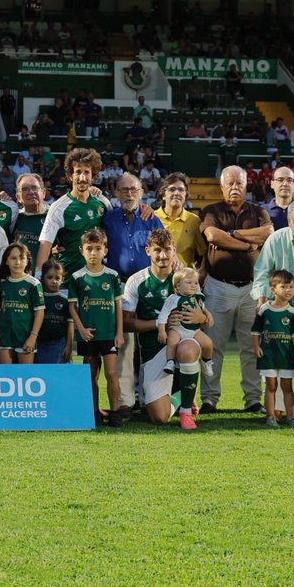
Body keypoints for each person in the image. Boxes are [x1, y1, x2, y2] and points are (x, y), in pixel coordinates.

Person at [198, 165, 272, 414]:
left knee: (252, 347)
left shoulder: (258, 211)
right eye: (229, 183)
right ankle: (209, 398)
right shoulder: (211, 210)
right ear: (221, 186)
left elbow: (267, 233)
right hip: (219, 287)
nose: (234, 187)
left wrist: (233, 233)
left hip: (252, 288)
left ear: (246, 185)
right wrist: (246, 245)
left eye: (239, 183)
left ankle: (253, 399)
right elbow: (213, 237)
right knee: (212, 346)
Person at [122, 228, 204, 429]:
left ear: (174, 250)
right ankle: (182, 394)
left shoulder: (185, 279)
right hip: (153, 351)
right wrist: (160, 323)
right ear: (148, 250)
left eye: (168, 250)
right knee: (159, 417)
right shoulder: (137, 281)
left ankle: (186, 407)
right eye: (157, 250)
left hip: (182, 343)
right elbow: (126, 323)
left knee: (188, 347)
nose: (163, 255)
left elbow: (202, 316)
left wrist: (199, 316)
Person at [103, 172, 163, 416]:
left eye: (133, 189)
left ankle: (150, 399)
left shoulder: (151, 219)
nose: (128, 194)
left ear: (141, 192)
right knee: (125, 346)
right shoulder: (107, 218)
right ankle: (126, 401)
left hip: (147, 285)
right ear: (116, 193)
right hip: (120, 286)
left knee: (150, 344)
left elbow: (165, 246)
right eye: (123, 190)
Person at [66, 228, 124, 427]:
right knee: (91, 374)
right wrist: (80, 330)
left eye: (97, 248)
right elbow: (72, 307)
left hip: (108, 333)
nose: (93, 253)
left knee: (111, 373)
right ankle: (94, 411)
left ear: (105, 251)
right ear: (81, 250)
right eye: (89, 248)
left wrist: (119, 332)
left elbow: (118, 306)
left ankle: (115, 411)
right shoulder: (77, 277)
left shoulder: (112, 276)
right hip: (88, 334)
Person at [36, 148, 110, 277]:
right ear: (70, 176)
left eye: (87, 172)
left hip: (96, 280)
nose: (82, 177)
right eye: (78, 172)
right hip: (67, 281)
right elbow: (45, 246)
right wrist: (38, 277)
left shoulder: (103, 202)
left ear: (93, 177)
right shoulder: (58, 208)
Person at [251, 269, 294, 428]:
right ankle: (271, 415)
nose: (288, 290)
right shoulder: (264, 310)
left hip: (286, 356)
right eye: (284, 286)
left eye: (291, 287)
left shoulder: (293, 313)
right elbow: (255, 331)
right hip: (268, 356)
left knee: (287, 387)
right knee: (271, 386)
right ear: (273, 289)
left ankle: (291, 416)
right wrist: (256, 346)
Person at [156, 267, 215, 377]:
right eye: (189, 282)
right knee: (172, 340)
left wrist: (208, 314)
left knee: (209, 343)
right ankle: (170, 362)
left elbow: (203, 308)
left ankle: (206, 361)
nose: (194, 285)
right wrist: (162, 331)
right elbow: (163, 315)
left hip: (194, 329)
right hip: (178, 328)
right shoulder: (173, 299)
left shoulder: (197, 297)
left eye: (196, 283)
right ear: (178, 286)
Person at [0, 242, 43, 364]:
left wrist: (33, 337)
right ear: (6, 261)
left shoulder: (34, 284)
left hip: (25, 336)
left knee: (25, 375)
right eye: (13, 258)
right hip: (4, 335)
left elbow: (40, 313)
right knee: (6, 375)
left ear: (27, 261)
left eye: (21, 258)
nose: (18, 262)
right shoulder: (2, 284)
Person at [154, 173, 206, 269]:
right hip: (157, 279)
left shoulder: (194, 221)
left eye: (181, 190)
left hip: (183, 279)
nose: (177, 193)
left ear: (186, 195)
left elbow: (203, 252)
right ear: (163, 196)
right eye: (172, 189)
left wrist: (201, 272)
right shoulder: (152, 218)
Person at [35, 261, 72, 365]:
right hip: (40, 344)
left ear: (62, 279)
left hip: (59, 344)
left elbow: (70, 324)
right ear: (43, 278)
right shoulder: (38, 298)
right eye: (49, 277)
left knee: (57, 375)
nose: (54, 281)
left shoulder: (65, 300)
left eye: (57, 278)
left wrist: (69, 346)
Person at [12, 174, 48, 267]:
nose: (31, 192)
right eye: (25, 189)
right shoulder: (13, 219)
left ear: (43, 193)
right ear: (18, 197)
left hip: (47, 277)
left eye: (34, 188)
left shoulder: (54, 217)